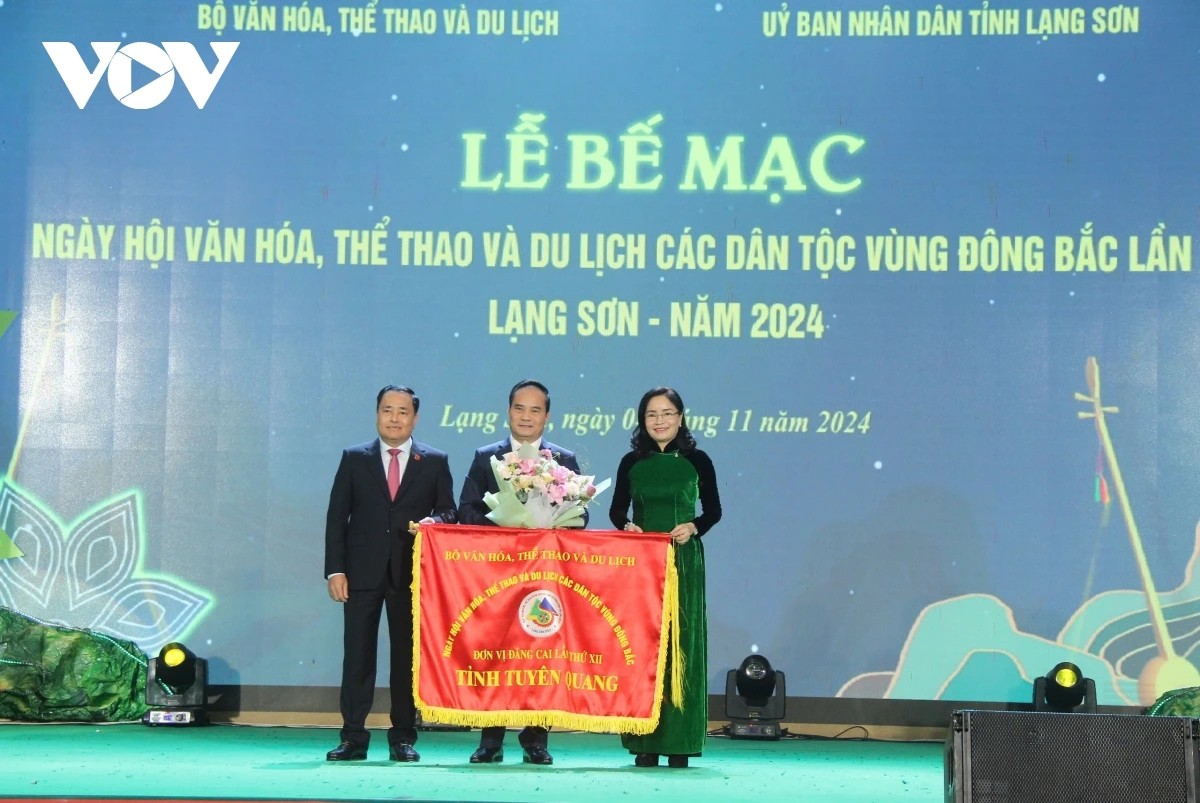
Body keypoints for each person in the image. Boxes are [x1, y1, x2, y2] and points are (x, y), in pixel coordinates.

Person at [324, 385, 457, 763]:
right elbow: (337, 517)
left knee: (406, 659)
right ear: (377, 414)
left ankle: (402, 737)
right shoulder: (354, 458)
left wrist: (434, 522)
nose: (394, 418)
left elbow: (449, 511)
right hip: (360, 574)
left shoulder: (434, 460)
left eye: (402, 412)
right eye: (387, 410)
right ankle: (352, 737)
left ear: (415, 418)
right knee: (357, 657)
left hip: (411, 574)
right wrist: (335, 570)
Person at [457, 379, 587, 765]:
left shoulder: (563, 460)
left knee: (541, 651)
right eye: (519, 408)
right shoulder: (486, 457)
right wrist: (507, 524)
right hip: (496, 573)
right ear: (508, 411)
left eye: (535, 410)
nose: (526, 416)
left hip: (545, 576)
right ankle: (490, 740)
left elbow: (580, 516)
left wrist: (549, 523)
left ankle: (536, 740)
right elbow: (466, 510)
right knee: (495, 650)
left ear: (547, 416)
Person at [608, 386, 721, 769]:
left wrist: (693, 526)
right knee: (643, 646)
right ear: (643, 420)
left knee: (682, 645)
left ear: (680, 417)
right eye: (652, 414)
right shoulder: (631, 462)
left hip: (683, 561)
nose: (660, 421)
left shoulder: (698, 460)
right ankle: (645, 741)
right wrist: (627, 527)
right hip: (643, 562)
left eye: (667, 413)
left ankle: (681, 742)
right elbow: (617, 510)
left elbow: (714, 510)